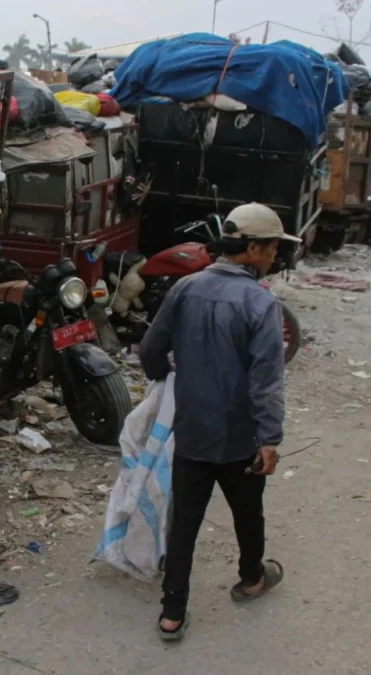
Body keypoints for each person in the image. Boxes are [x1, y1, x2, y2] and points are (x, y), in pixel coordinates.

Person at [138, 203, 298, 642]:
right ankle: (251, 578)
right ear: (251, 249)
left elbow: (151, 348)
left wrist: (166, 379)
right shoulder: (261, 303)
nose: (274, 257)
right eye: (271, 249)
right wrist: (270, 439)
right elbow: (266, 378)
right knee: (248, 510)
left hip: (191, 428)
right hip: (239, 435)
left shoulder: (186, 288)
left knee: (184, 520)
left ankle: (172, 613)